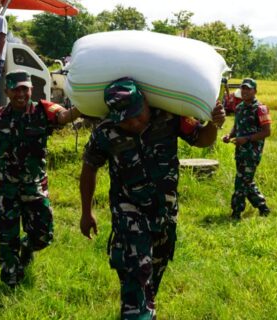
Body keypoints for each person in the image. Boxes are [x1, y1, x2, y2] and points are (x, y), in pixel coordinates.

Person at [79, 78, 225, 319]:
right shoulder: (105, 132)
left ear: (145, 101)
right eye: (125, 119)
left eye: (137, 114)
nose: (133, 123)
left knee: (155, 268)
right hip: (128, 209)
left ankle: (144, 306)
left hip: (165, 210)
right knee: (137, 269)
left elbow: (201, 139)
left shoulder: (169, 116)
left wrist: (213, 124)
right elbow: (89, 168)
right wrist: (86, 212)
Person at [0, 71, 80, 287]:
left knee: (43, 235)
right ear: (7, 91)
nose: (21, 94)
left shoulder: (44, 110)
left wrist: (85, 104)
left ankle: (27, 247)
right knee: (6, 237)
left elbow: (64, 117)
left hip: (35, 186)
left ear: (31, 89)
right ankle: (11, 283)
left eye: (25, 89)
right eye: (16, 89)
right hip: (6, 188)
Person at [222, 78, 272, 219]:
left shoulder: (261, 109)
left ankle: (236, 212)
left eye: (248, 89)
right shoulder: (239, 107)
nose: (244, 91)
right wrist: (229, 135)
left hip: (252, 152)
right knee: (246, 180)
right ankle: (263, 207)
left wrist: (247, 139)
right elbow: (237, 126)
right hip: (240, 151)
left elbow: (267, 132)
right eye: (243, 88)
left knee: (241, 182)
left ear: (254, 91)